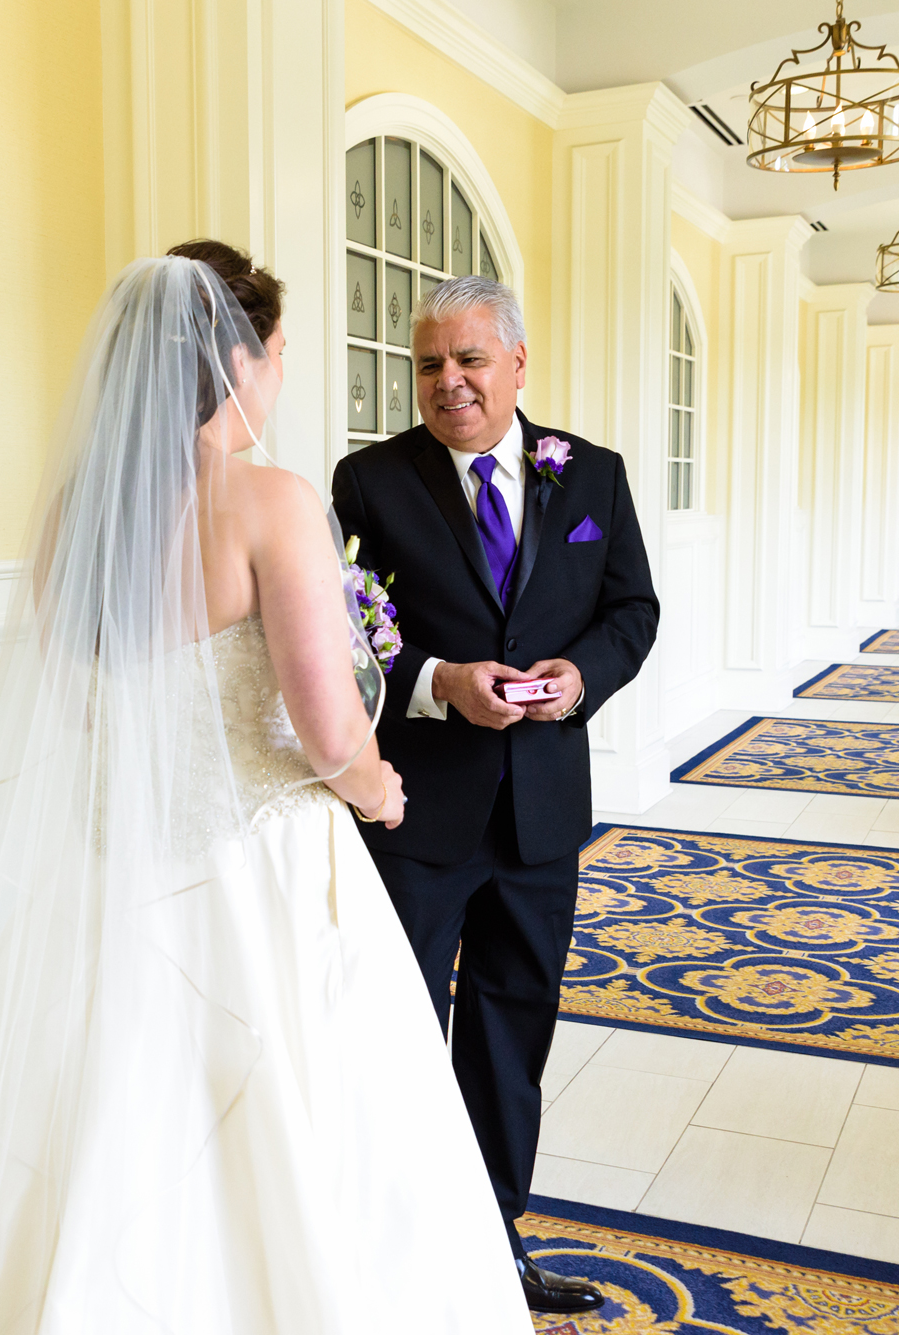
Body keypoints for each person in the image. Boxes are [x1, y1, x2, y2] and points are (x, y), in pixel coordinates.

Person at [0, 248, 528, 1334]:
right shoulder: (268, 502)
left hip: (115, 864)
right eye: (274, 354)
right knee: (293, 1123)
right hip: (260, 864)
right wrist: (376, 791)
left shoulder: (70, 520)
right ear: (234, 359)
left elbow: (87, 706)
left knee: (99, 1108)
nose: (277, 376)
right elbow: (327, 729)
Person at [332, 275, 658, 1315]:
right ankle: (378, 1235)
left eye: (469, 360)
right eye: (427, 364)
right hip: (414, 810)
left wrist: (579, 678)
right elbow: (341, 638)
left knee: (510, 1030)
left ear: (516, 363)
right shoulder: (366, 481)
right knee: (394, 1027)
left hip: (541, 811)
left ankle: (492, 1240)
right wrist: (436, 685)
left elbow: (630, 610)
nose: (447, 382)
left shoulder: (591, 477)